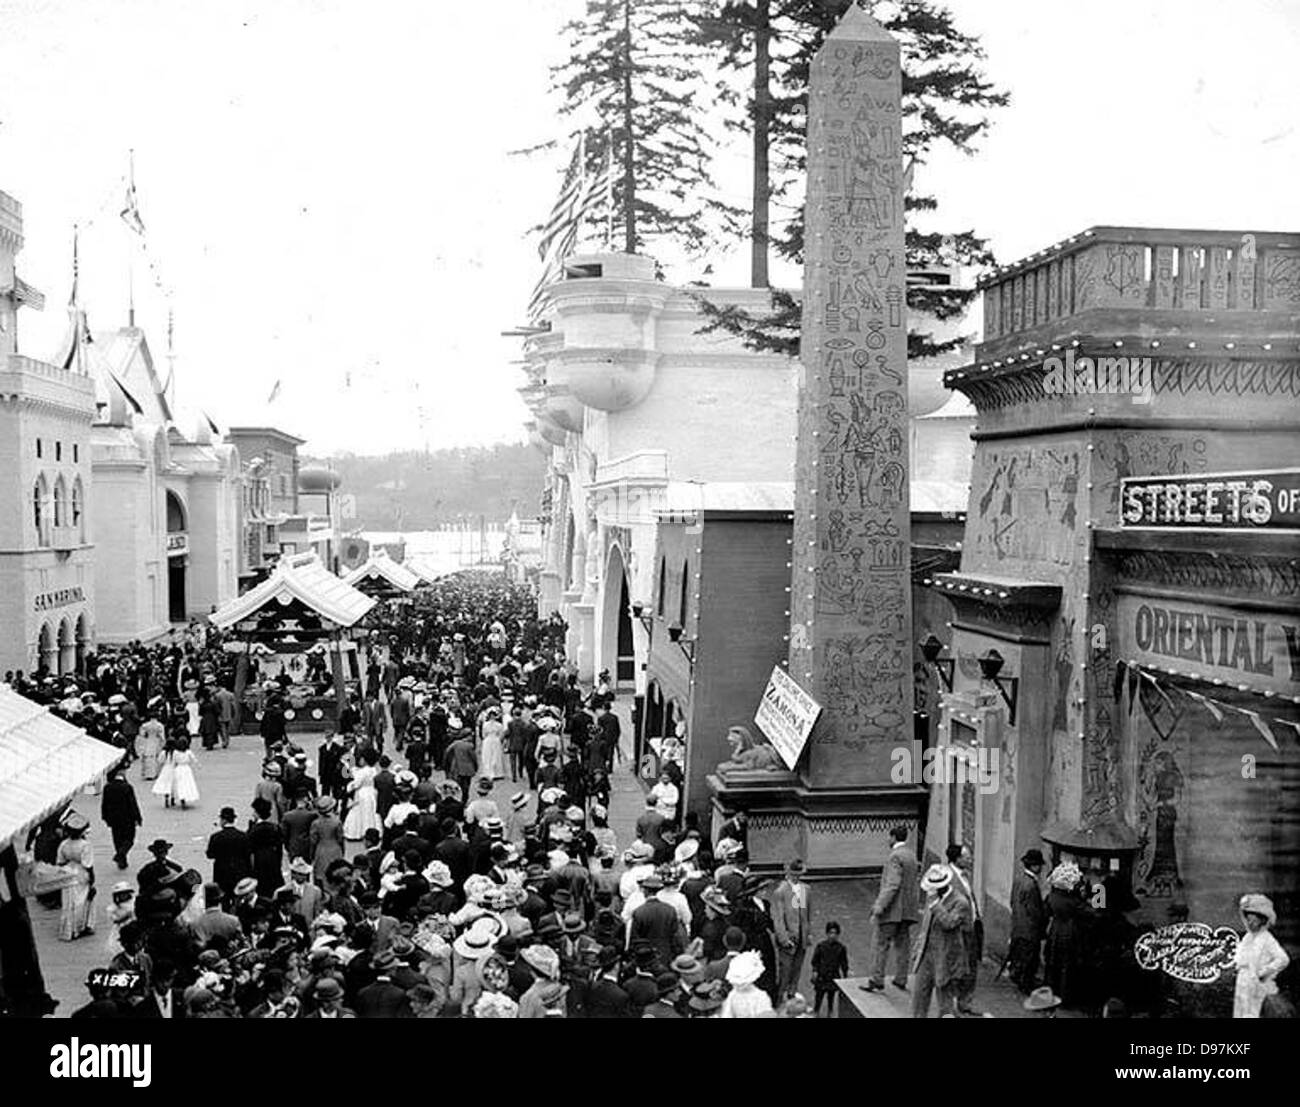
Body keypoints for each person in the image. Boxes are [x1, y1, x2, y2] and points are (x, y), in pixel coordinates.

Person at [910, 864, 971, 1018]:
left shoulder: (960, 902)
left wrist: (936, 905)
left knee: (945, 1004)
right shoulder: (932, 899)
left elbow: (949, 923)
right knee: (919, 997)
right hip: (927, 955)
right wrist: (918, 948)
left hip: (947, 958)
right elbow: (925, 926)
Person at [865, 825, 918, 992]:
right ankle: (901, 978)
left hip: (893, 910)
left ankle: (877, 978)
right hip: (907, 910)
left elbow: (892, 884)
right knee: (903, 945)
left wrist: (879, 905)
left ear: (894, 837)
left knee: (881, 944)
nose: (888, 840)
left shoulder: (894, 857)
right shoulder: (911, 855)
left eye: (889, 837)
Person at [1043, 861, 1091, 1009]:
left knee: (1053, 964)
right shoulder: (1073, 901)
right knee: (1067, 966)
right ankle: (1064, 997)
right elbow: (1090, 913)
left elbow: (1046, 912)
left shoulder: (1052, 897)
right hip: (1070, 933)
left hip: (1055, 931)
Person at [1233, 893, 1289, 1018]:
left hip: (1256, 984)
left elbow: (1283, 959)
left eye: (1253, 920)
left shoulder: (1267, 939)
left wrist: (1264, 972)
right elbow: (1240, 958)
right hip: (1242, 982)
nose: (1250, 922)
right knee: (1239, 1013)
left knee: (1252, 1014)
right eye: (1248, 919)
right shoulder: (1247, 938)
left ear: (1262, 920)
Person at [946, 843, 986, 1016]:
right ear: (957, 858)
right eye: (967, 857)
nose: (970, 859)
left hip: (972, 927)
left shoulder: (965, 875)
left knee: (971, 966)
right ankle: (953, 1003)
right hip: (959, 928)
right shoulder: (948, 877)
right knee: (958, 968)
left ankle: (966, 1002)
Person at [771, 858, 812, 999]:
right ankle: (780, 996)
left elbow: (807, 913)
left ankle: (792, 993)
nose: (796, 878)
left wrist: (808, 934)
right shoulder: (780, 892)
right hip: (789, 938)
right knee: (785, 970)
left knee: (797, 968)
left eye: (798, 875)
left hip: (802, 936)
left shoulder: (805, 889)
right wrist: (784, 939)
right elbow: (778, 918)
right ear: (788, 874)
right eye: (794, 875)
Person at [1008, 848, 1047, 994]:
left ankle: (1020, 978)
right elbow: (1034, 911)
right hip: (1029, 929)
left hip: (1018, 925)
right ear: (1035, 866)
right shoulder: (1031, 886)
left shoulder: (1018, 880)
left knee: (1021, 955)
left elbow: (1012, 901)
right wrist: (1041, 925)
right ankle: (1026, 984)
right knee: (1030, 959)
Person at [56, 812, 96, 941]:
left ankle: (68, 929)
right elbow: (88, 864)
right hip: (81, 873)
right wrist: (92, 879)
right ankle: (80, 926)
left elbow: (60, 861)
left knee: (68, 901)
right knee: (81, 901)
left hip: (67, 872)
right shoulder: (85, 845)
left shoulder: (64, 844)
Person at [100, 767, 143, 870]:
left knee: (117, 839)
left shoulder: (107, 787)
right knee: (129, 839)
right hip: (128, 818)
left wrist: (105, 817)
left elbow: (104, 804)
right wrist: (138, 817)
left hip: (114, 818)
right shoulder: (127, 787)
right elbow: (133, 804)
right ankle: (121, 854)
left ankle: (122, 860)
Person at [205, 806, 252, 897]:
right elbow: (247, 854)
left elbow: (210, 855)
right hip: (239, 872)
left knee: (224, 898)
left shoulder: (216, 837)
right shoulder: (243, 836)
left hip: (222, 873)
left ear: (223, 820)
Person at [811, 920, 849, 1017]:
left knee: (831, 996)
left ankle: (830, 1010)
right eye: (831, 933)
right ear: (827, 933)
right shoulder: (821, 946)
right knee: (819, 996)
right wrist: (815, 971)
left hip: (833, 976)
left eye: (835, 933)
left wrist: (845, 976)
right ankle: (816, 1010)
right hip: (821, 975)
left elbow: (844, 963)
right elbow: (815, 960)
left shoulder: (841, 948)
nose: (833, 935)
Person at [343, 751, 381, 842]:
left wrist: (349, 787)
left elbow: (356, 784)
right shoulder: (373, 770)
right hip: (371, 792)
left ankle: (357, 832)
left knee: (358, 812)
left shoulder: (362, 772)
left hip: (362, 793)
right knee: (370, 812)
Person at [478, 707, 507, 781]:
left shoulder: (499, 725)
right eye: (491, 716)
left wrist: (498, 740)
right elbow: (483, 734)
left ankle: (497, 773)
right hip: (488, 741)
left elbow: (501, 734)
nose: (492, 717)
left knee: (496, 756)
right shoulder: (485, 725)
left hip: (496, 741)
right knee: (487, 756)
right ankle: (487, 772)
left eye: (493, 715)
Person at [137, 710, 165, 780]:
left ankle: (148, 773)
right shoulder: (159, 725)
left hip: (148, 740)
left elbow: (142, 734)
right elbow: (162, 736)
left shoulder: (145, 725)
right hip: (156, 740)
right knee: (156, 757)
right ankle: (155, 773)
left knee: (148, 757)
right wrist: (163, 743)